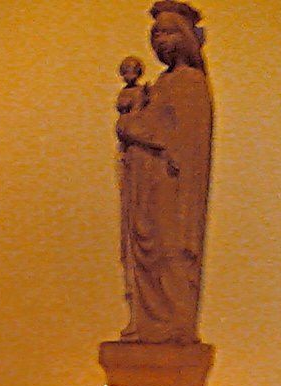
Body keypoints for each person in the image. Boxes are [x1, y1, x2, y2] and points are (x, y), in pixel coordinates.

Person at [116, 0, 213, 344]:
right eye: (156, 33)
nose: (160, 40)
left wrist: (132, 129)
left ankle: (173, 322)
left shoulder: (189, 83)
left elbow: (179, 138)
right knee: (144, 254)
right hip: (145, 184)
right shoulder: (160, 84)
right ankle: (146, 322)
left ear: (186, 37)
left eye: (169, 32)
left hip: (171, 188)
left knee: (168, 251)